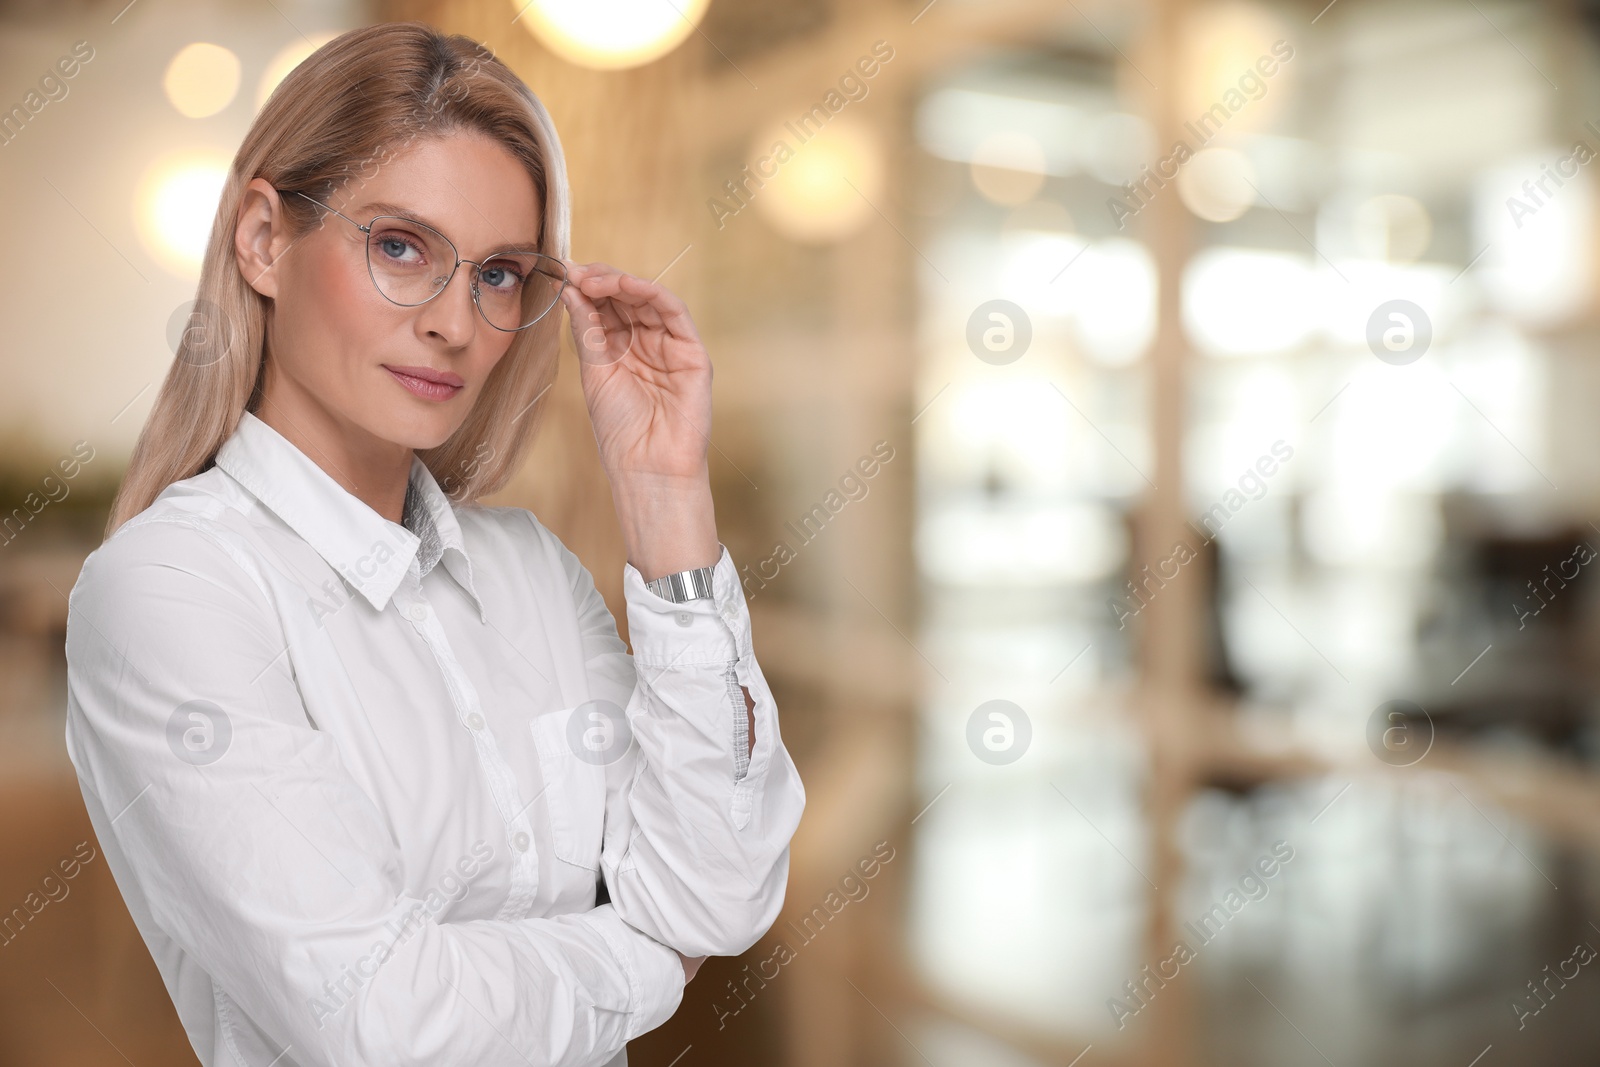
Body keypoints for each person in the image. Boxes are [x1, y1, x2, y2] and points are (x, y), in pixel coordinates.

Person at [62, 22, 804, 1067]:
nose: (456, 322)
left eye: (499, 273)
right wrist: (645, 960)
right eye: (400, 246)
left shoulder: (532, 572)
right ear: (264, 239)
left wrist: (665, 495)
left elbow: (717, 891)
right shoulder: (169, 590)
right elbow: (384, 1019)